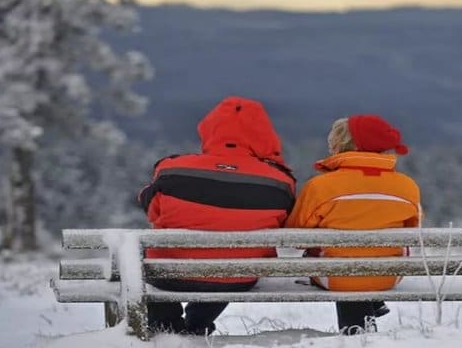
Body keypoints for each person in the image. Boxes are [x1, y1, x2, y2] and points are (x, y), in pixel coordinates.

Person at [137, 96, 296, 335]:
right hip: (237, 278)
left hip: (168, 273)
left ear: (210, 129)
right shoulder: (280, 181)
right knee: (231, 258)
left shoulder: (172, 169)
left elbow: (150, 208)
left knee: (141, 254)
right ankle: (196, 324)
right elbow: (284, 222)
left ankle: (166, 325)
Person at [284, 114, 421, 335]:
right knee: (357, 263)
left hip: (335, 277)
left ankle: (357, 334)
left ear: (342, 144)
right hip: (388, 276)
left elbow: (295, 237)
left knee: (342, 265)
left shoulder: (320, 187)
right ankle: (370, 311)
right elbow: (412, 232)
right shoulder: (408, 186)